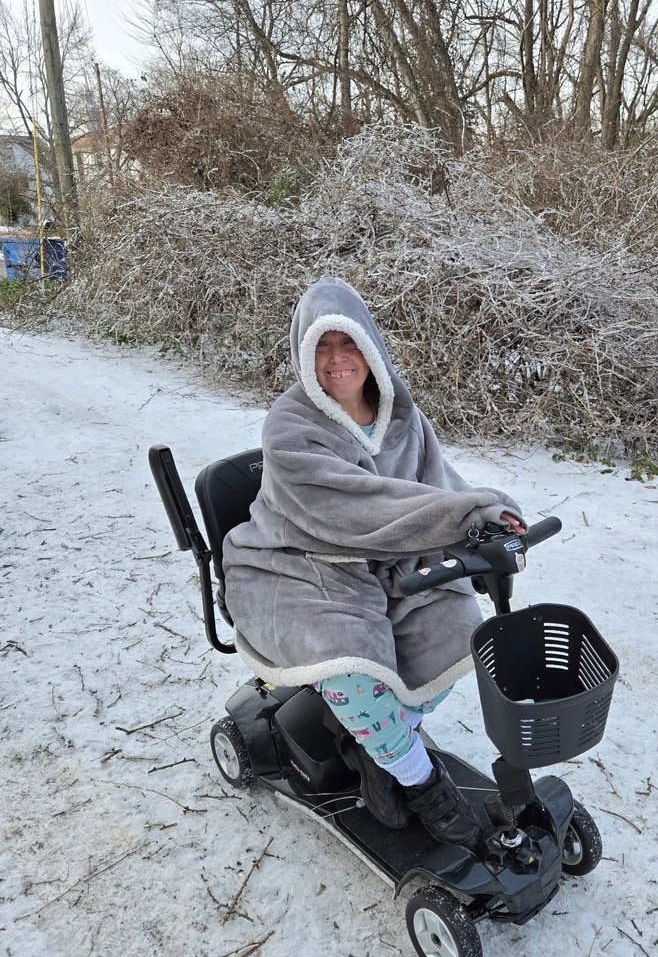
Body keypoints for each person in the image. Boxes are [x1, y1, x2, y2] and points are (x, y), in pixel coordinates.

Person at [222, 277, 525, 848]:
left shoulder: (402, 414)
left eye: (349, 343)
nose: (337, 360)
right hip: (296, 564)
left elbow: (440, 484)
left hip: (388, 562)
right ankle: (420, 780)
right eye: (322, 346)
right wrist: (461, 514)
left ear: (372, 347)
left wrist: (487, 519)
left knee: (461, 634)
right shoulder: (290, 426)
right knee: (353, 666)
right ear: (303, 357)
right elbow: (354, 510)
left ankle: (375, 745)